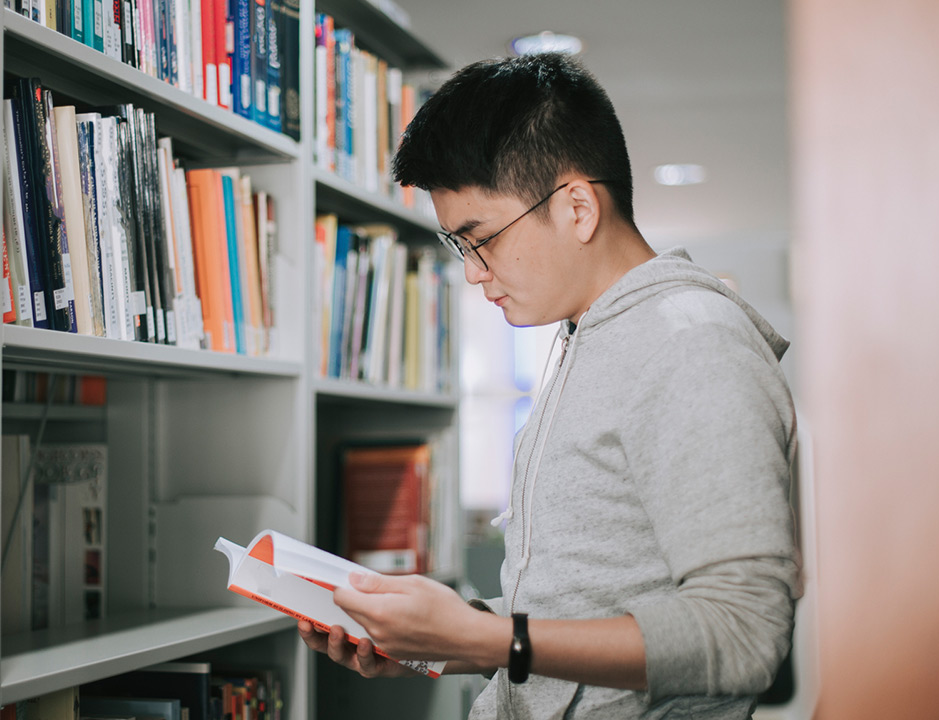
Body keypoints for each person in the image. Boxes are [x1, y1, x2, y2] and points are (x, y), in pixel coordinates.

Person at [298, 52, 801, 719]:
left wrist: (487, 635)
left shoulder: (690, 343)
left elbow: (745, 633)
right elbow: (579, 611)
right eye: (458, 245)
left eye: (482, 239)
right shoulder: (589, 335)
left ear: (577, 207)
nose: (474, 273)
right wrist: (436, 640)